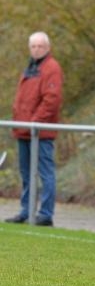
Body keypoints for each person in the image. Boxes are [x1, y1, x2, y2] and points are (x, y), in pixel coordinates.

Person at [5, 32, 63, 227]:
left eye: (40, 46)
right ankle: (26, 210)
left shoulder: (51, 68)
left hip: (40, 132)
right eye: (33, 46)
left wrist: (34, 123)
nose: (36, 49)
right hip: (24, 130)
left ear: (47, 47)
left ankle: (45, 213)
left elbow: (51, 100)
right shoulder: (30, 68)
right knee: (26, 173)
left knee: (45, 173)